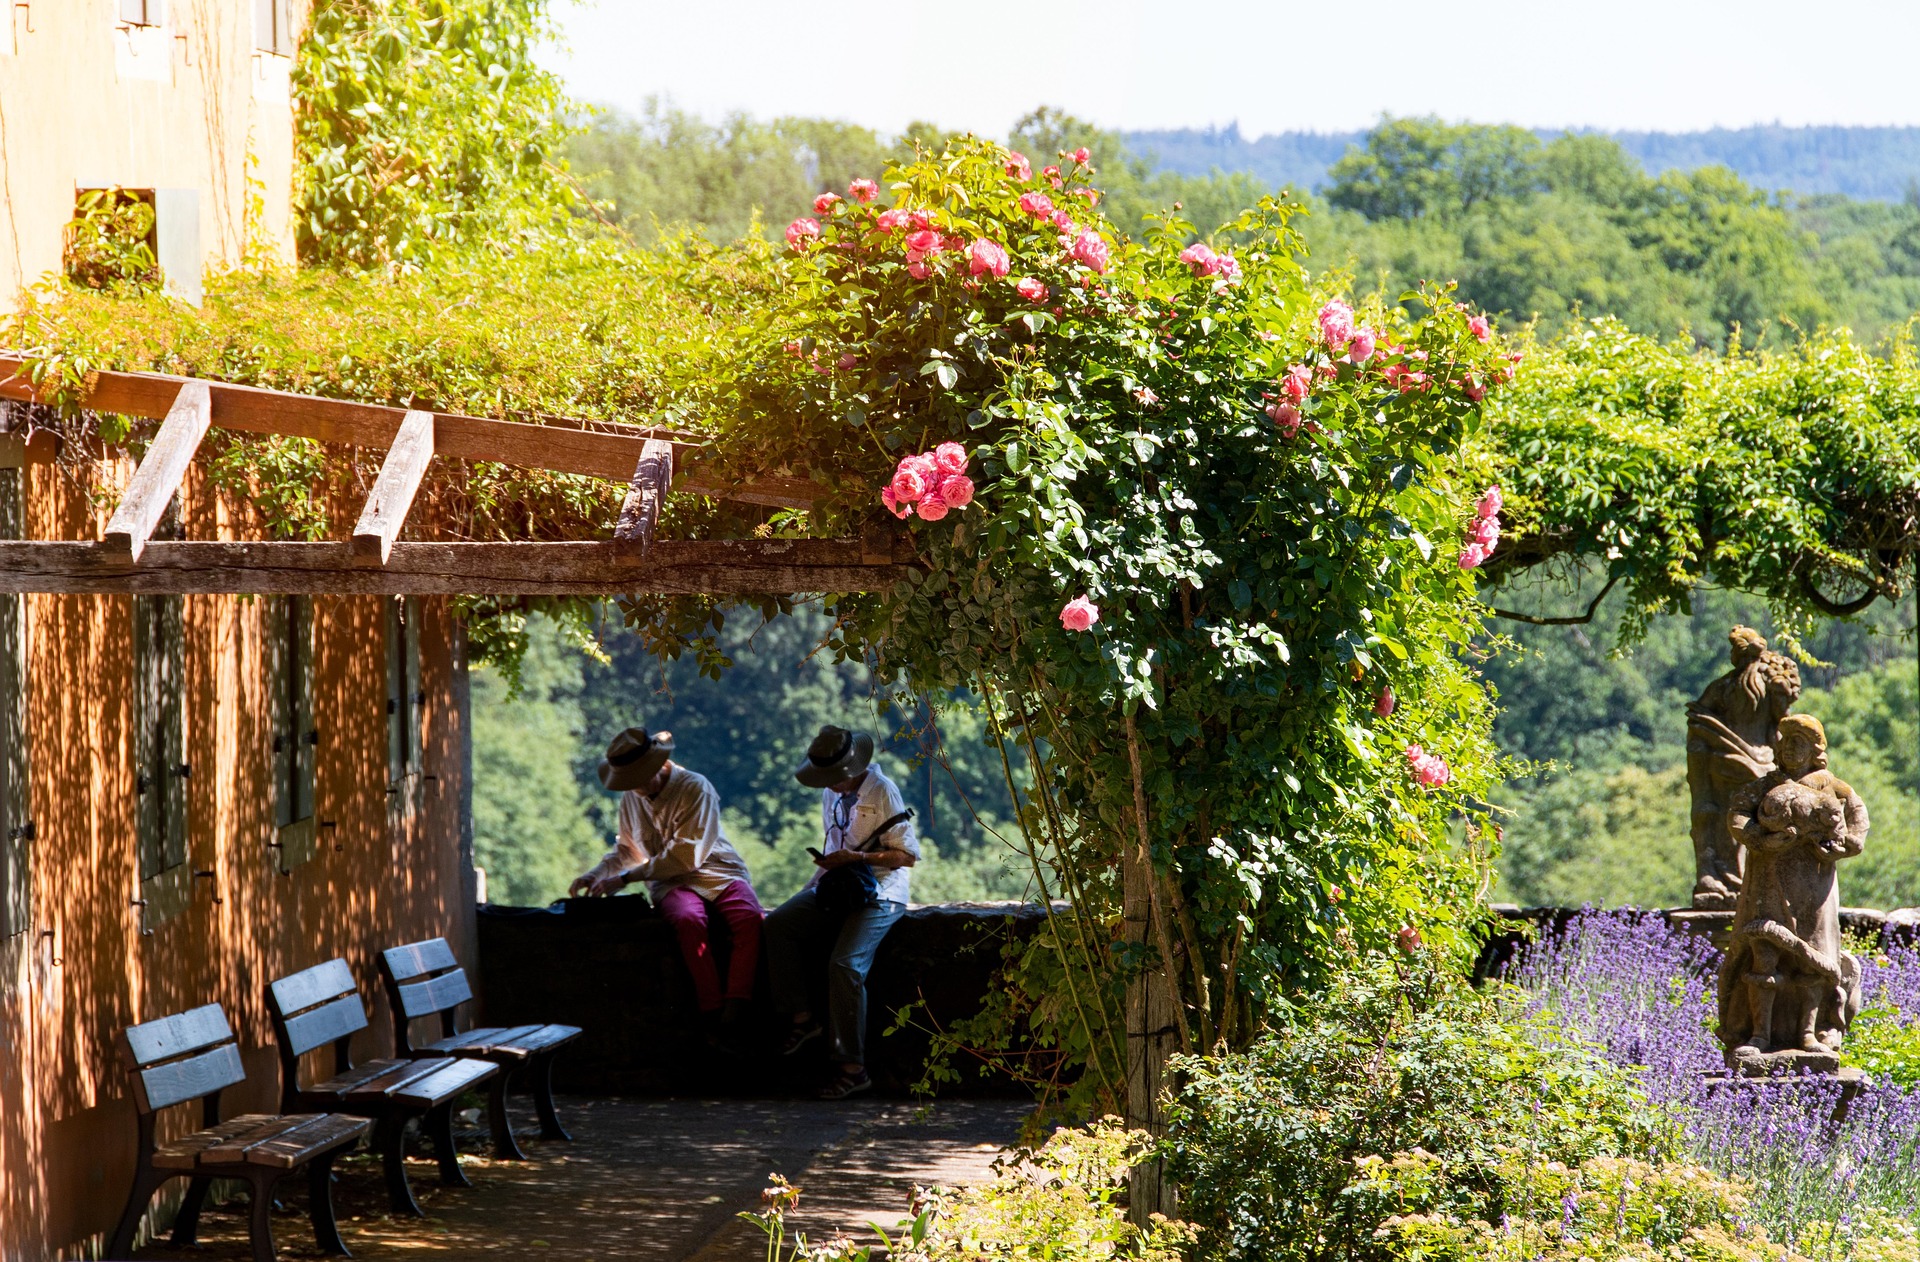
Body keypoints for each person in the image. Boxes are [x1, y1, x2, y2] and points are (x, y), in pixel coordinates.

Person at [570, 728, 763, 1040]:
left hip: (717, 869)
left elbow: (687, 856)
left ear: (657, 768)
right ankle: (711, 1008)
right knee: (687, 920)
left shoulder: (695, 788)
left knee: (749, 918)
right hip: (667, 880)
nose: (634, 788)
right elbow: (628, 851)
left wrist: (626, 879)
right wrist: (596, 875)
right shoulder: (632, 797)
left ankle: (738, 1000)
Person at [764, 725, 920, 1099]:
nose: (828, 784)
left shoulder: (882, 792)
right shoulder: (830, 794)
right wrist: (809, 888)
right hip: (841, 885)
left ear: (849, 770)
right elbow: (834, 847)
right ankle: (803, 1018)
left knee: (845, 965)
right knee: (778, 924)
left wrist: (859, 857)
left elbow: (906, 856)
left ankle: (853, 1066)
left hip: (882, 890)